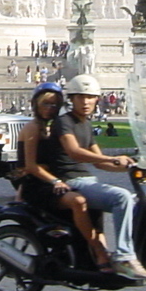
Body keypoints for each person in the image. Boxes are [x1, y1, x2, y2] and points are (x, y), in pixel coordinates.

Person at [57, 74, 146, 280]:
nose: (86, 101)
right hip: (71, 182)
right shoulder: (64, 122)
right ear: (71, 99)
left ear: (97, 99)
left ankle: (128, 251)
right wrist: (113, 158)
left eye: (90, 97)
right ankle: (125, 256)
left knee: (134, 202)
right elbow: (74, 152)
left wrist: (130, 166)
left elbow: (99, 161)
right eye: (81, 97)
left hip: (88, 181)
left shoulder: (86, 124)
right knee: (121, 197)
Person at [17, 83, 106, 268]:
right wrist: (55, 180)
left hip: (50, 182)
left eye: (55, 105)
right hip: (36, 185)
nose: (50, 109)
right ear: (36, 104)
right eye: (46, 104)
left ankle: (93, 255)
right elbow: (31, 166)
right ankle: (99, 251)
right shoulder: (33, 128)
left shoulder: (51, 128)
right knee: (78, 201)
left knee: (95, 203)